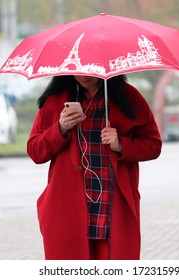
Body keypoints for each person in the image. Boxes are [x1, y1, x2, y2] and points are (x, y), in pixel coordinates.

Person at [27, 75, 162, 260]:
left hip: (112, 208)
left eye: (89, 69)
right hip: (67, 211)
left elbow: (154, 146)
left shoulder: (129, 98)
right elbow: (35, 151)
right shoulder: (55, 100)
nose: (83, 76)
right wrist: (60, 128)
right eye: (78, 69)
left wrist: (121, 144)